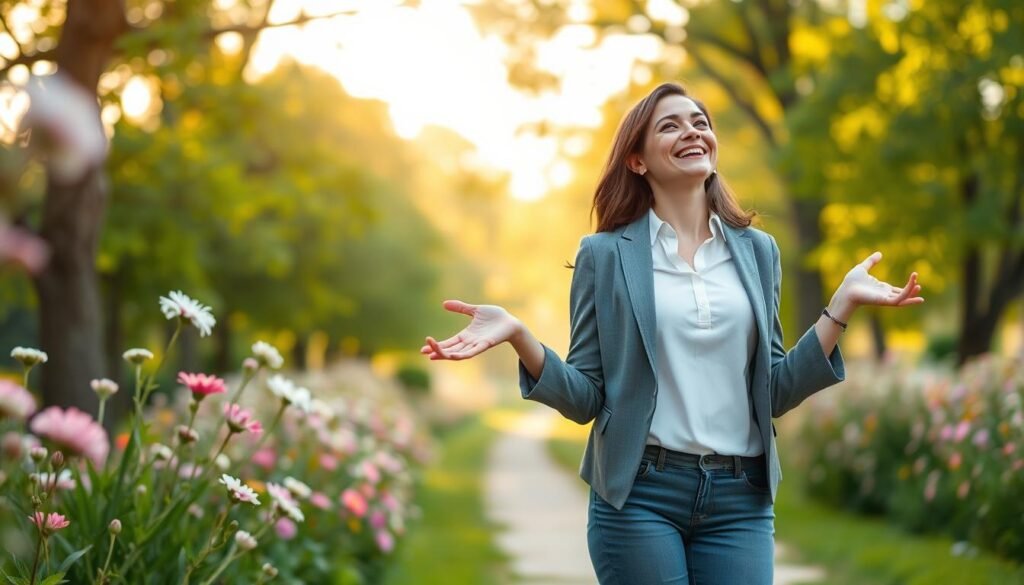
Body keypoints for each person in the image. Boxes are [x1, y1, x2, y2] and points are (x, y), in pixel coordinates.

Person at [421, 82, 923, 585]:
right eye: (671, 125)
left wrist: (840, 306)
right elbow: (586, 398)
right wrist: (518, 335)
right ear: (637, 160)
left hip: (740, 497)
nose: (692, 131)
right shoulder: (604, 255)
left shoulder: (757, 251)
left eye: (700, 122)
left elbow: (774, 390)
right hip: (640, 496)